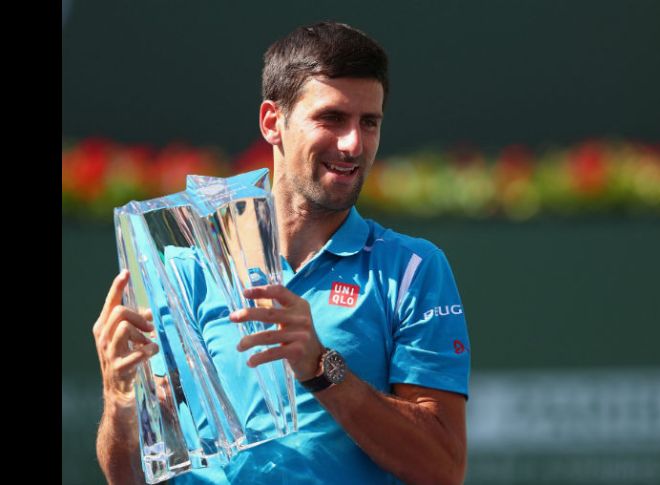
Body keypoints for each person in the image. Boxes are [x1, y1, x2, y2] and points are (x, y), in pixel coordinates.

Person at [93, 22, 470, 485]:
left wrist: (323, 368)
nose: (353, 143)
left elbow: (443, 467)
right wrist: (119, 399)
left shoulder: (413, 269)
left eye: (369, 122)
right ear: (273, 122)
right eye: (332, 118)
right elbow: (129, 475)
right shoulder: (186, 268)